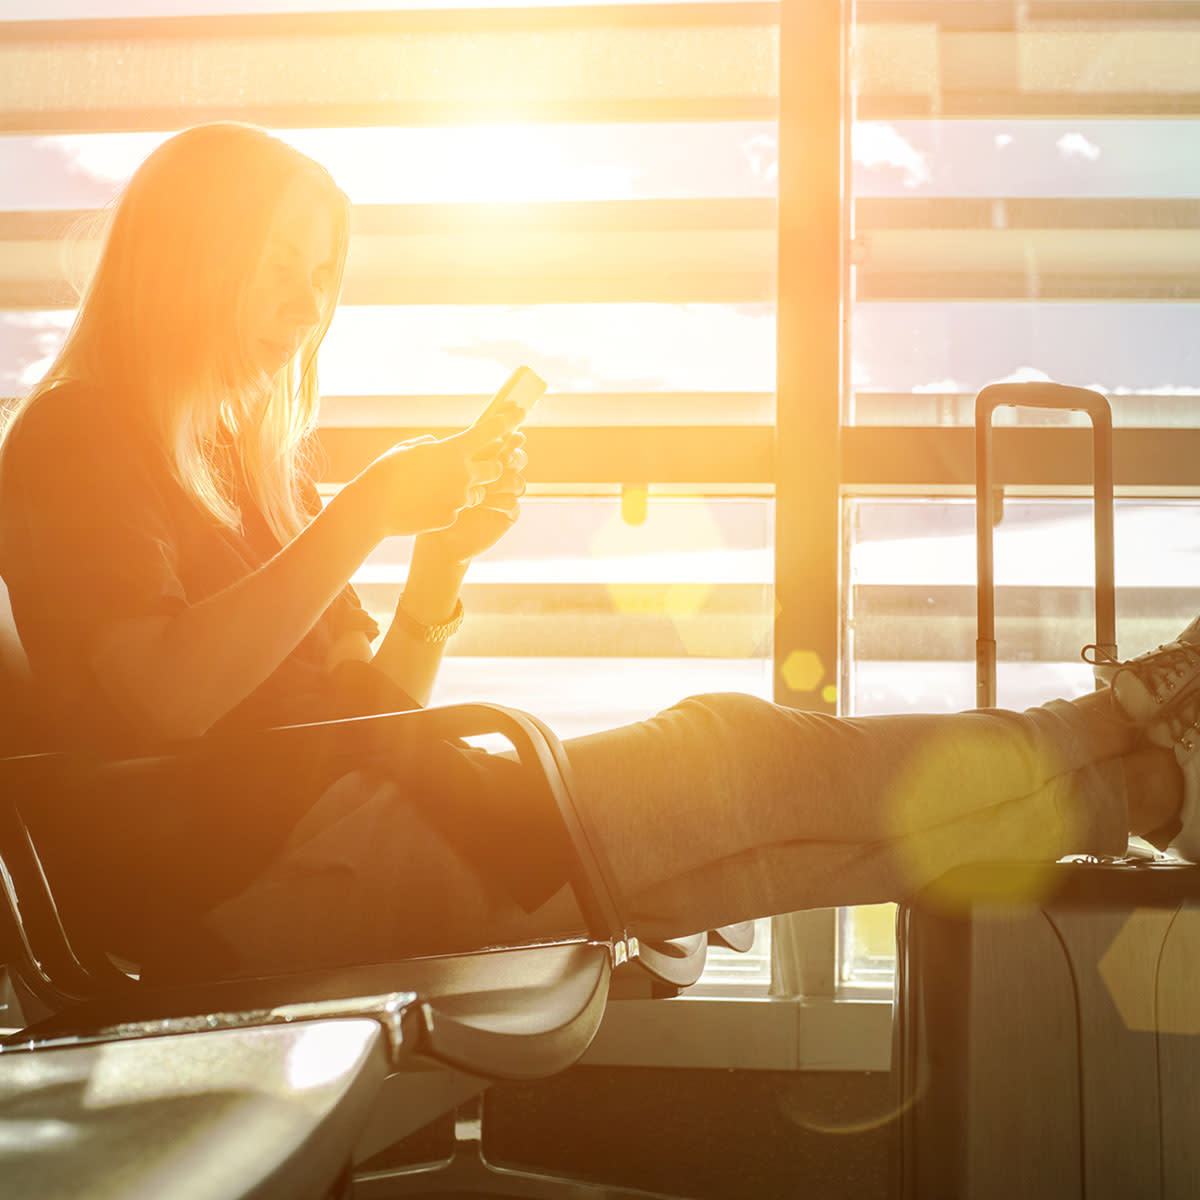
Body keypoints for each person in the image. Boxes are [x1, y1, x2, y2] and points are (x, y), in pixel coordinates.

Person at [0, 121, 1196, 980]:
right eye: (280, 269)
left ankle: (1151, 788)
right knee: (739, 751)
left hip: (347, 837)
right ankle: (1122, 717)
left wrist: (437, 571)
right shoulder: (75, 440)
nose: (311, 307)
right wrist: (363, 508)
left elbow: (372, 714)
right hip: (261, 885)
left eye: (323, 278)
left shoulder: (240, 472)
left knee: (803, 850)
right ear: (187, 255)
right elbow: (163, 702)